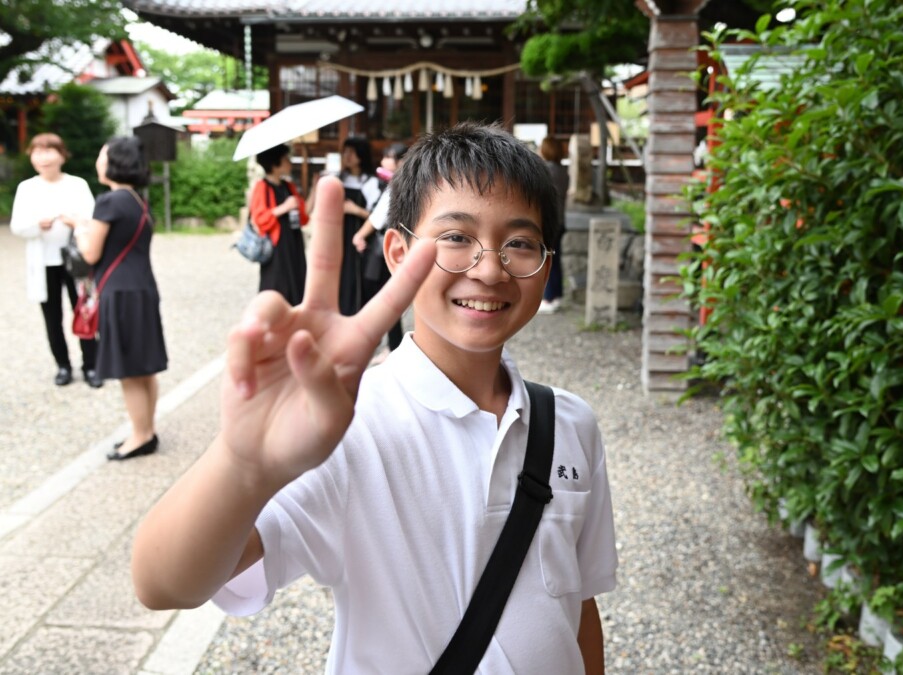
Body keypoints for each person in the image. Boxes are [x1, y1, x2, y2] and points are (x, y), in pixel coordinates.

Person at [131, 122, 618, 674]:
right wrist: (245, 462)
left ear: (545, 265)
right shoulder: (345, 426)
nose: (488, 268)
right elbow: (163, 582)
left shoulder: (570, 423)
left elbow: (578, 604)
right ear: (396, 251)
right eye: (456, 237)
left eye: (520, 243)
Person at [65, 136, 168, 460]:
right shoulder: (137, 200)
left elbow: (91, 252)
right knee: (144, 367)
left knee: (129, 371)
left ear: (115, 162)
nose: (98, 161)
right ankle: (147, 430)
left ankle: (139, 436)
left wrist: (79, 229)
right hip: (142, 288)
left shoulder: (109, 201)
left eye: (102, 155)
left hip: (121, 293)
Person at [10, 132, 101, 387]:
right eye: (38, 152)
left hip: (76, 261)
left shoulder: (77, 184)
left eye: (49, 150)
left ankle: (91, 365)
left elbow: (92, 219)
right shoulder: (27, 188)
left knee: (84, 312)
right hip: (43, 263)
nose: (44, 157)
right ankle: (63, 366)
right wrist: (37, 225)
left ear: (62, 155)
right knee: (52, 318)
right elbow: (18, 226)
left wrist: (75, 222)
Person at [351, 141, 408, 358]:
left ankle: (380, 345)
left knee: (378, 296)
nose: (383, 161)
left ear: (401, 161)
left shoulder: (396, 185)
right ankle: (391, 346)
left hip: (382, 247)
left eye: (389, 157)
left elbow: (377, 219)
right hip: (397, 246)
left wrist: (359, 235)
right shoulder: (409, 184)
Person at [250, 144, 310, 305]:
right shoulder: (262, 187)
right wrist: (284, 208)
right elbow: (259, 219)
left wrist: (316, 189)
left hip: (294, 243)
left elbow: (304, 217)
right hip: (276, 247)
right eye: (285, 159)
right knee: (276, 287)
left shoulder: (288, 186)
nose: (289, 162)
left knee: (297, 283)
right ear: (275, 163)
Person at [337, 136, 382, 316]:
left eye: (351, 152)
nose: (346, 156)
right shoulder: (339, 179)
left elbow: (377, 217)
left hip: (360, 240)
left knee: (355, 279)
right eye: (344, 152)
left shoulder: (370, 182)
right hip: (339, 236)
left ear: (361, 156)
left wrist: (355, 210)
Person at [537, 136, 569, 315]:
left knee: (547, 259)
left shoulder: (547, 171)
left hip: (550, 222)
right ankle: (556, 295)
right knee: (555, 260)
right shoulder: (562, 170)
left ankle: (548, 297)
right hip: (561, 220)